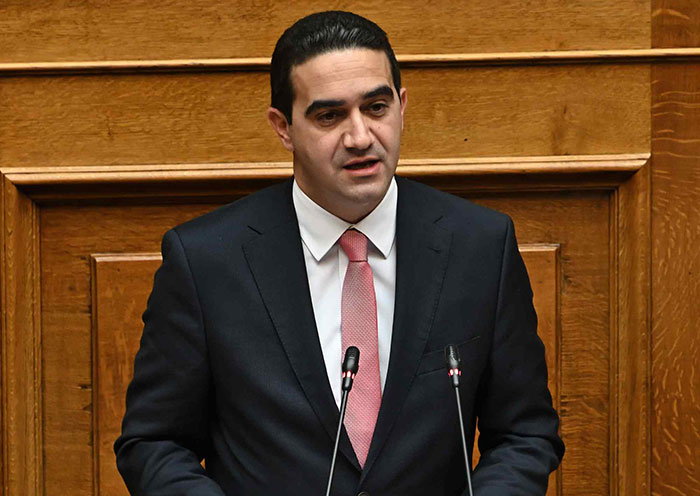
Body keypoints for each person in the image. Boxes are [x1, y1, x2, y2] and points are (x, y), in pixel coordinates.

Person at [115, 11, 564, 495]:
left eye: (376, 107)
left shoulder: (480, 246)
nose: (360, 137)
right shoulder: (206, 261)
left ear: (402, 106)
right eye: (329, 116)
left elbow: (524, 434)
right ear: (283, 127)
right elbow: (155, 442)